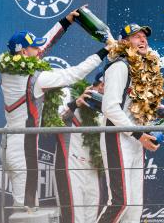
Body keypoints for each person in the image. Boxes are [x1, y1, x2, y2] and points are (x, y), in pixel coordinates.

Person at [0, 8, 110, 223]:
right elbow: (75, 73)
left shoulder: (8, 69)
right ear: (24, 53)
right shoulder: (37, 79)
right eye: (34, 47)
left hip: (9, 143)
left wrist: (65, 22)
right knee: (26, 214)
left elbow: (44, 45)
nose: (39, 49)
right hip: (23, 151)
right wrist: (103, 52)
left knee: (26, 210)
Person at [96, 24, 164, 223]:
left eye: (144, 36)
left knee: (134, 206)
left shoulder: (141, 70)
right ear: (124, 43)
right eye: (136, 37)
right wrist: (139, 135)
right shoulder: (119, 66)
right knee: (120, 202)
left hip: (135, 139)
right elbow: (110, 108)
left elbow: (149, 106)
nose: (143, 40)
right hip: (117, 138)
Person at [62, 72, 105, 223]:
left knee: (91, 216)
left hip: (93, 166)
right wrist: (76, 103)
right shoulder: (72, 95)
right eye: (105, 87)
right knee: (76, 217)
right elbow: (55, 121)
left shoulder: (110, 107)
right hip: (73, 165)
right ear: (100, 85)